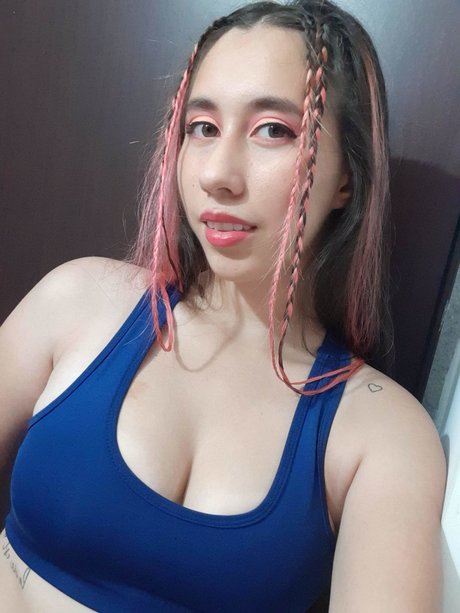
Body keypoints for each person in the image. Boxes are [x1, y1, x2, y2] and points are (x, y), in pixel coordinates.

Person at [0, 0, 447, 611]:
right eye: (202, 127)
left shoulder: (382, 433)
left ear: (346, 176)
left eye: (274, 130)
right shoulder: (77, 302)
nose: (218, 174)